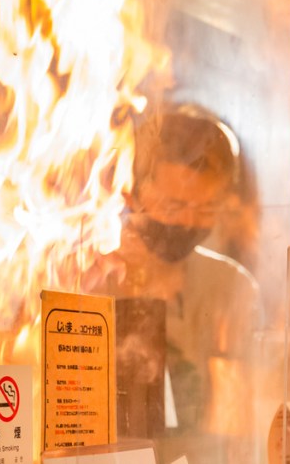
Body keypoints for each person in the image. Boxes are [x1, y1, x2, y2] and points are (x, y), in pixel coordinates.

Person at [97, 102, 261, 463]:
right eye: (173, 206)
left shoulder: (231, 286)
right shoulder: (92, 281)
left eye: (206, 209)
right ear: (133, 192)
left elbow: (239, 428)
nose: (188, 223)